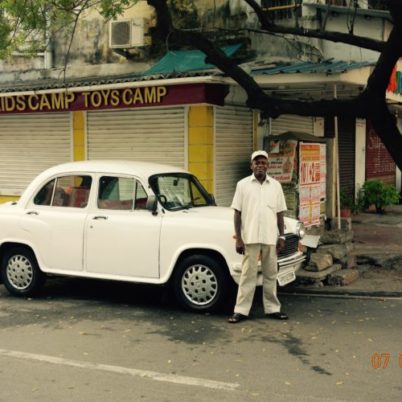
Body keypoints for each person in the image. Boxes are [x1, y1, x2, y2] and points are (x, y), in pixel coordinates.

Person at [228, 150, 288, 323]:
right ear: (251, 166)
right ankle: (240, 311)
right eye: (257, 162)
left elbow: (280, 213)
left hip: (270, 237)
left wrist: (282, 237)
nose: (260, 165)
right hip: (250, 237)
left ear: (268, 166)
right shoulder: (242, 185)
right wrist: (238, 238)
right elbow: (237, 213)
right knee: (248, 275)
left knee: (271, 274)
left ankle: (272, 309)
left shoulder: (275, 186)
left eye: (263, 162)